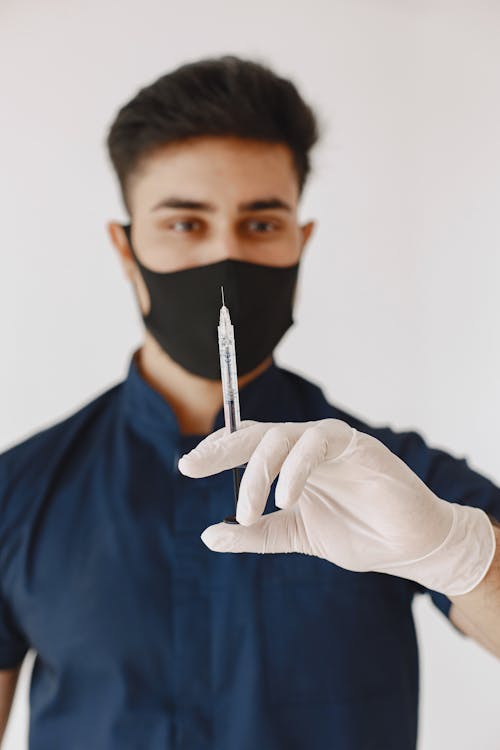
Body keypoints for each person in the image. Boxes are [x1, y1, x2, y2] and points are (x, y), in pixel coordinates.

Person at [0, 55, 498, 750]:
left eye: (261, 224)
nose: (225, 258)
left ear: (302, 240)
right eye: (184, 225)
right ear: (124, 249)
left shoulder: (392, 476)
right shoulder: (18, 495)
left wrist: (458, 551)